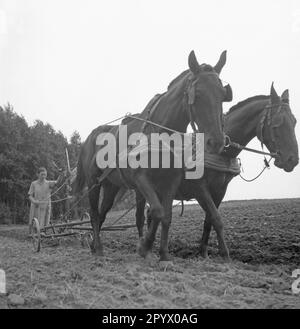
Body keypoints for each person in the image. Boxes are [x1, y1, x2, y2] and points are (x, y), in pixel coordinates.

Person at [28, 167, 62, 232]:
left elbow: (58, 182)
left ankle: (43, 232)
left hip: (46, 205)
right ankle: (33, 233)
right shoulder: (34, 184)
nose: (43, 176)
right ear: (37, 174)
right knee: (35, 220)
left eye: (45, 174)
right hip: (36, 206)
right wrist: (34, 201)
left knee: (45, 221)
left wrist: (60, 174)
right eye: (42, 174)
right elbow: (30, 196)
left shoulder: (49, 183)